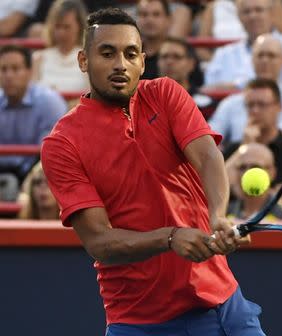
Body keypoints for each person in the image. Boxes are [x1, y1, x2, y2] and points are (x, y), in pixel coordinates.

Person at [41, 8, 265, 336]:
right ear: (83, 61)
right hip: (139, 321)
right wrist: (171, 238)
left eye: (131, 54)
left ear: (143, 62)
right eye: (107, 53)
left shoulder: (165, 93)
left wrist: (218, 215)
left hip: (225, 306)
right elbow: (100, 241)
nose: (121, 64)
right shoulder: (62, 144)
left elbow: (207, 156)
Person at [209, 34, 282, 145]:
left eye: (271, 56)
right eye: (260, 55)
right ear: (252, 60)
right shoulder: (230, 103)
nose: (265, 60)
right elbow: (210, 139)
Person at [0, 45, 67, 200]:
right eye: (3, 69)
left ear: (30, 72)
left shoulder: (49, 102)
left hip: (36, 173)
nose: (9, 75)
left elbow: (48, 154)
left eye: (16, 69)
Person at [204, 0, 282, 89]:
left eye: (259, 10)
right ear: (239, 17)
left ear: (271, 14)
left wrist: (236, 86)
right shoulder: (224, 53)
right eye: (246, 12)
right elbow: (209, 88)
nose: (253, 16)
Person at [222, 78, 282, 185]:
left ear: (279, 107)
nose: (255, 111)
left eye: (262, 104)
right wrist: (244, 148)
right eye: (250, 105)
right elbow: (219, 187)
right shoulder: (234, 150)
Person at [32, 0, 89, 92]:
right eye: (57, 26)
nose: (61, 33)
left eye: (67, 27)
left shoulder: (89, 58)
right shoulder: (38, 58)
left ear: (80, 27)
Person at [225, 143, 282, 220]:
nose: (247, 173)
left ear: (272, 172)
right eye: (242, 167)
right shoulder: (225, 212)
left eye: (255, 167)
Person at [157, 37, 214, 110]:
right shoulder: (144, 100)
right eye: (164, 57)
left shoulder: (205, 105)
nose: (169, 62)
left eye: (177, 57)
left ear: (191, 64)